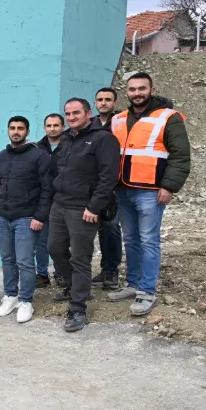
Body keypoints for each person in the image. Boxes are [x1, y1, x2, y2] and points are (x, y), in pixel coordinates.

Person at [108, 72, 191, 316]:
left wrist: (169, 186)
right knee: (131, 240)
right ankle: (133, 284)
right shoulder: (118, 119)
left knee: (148, 240)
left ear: (151, 90)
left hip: (151, 191)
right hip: (123, 189)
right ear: (127, 92)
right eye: (132, 89)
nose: (137, 93)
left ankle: (147, 291)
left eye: (142, 89)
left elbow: (181, 155)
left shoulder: (169, 117)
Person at [48, 98, 120, 332]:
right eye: (68, 114)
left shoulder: (103, 139)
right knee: (54, 249)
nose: (71, 117)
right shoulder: (66, 138)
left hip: (83, 208)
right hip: (60, 204)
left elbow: (109, 177)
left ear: (88, 113)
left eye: (76, 113)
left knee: (80, 257)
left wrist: (94, 206)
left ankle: (78, 308)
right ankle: (78, 286)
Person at [0, 117, 53, 324]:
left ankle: (26, 301)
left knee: (25, 261)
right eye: (12, 128)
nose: (16, 131)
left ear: (27, 131)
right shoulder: (2, 156)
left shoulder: (39, 156)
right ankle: (10, 296)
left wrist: (40, 216)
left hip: (26, 218)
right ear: (8, 130)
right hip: (3, 217)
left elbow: (47, 188)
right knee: (7, 259)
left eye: (20, 128)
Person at [91, 87, 123, 290]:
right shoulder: (89, 124)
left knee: (111, 226)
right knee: (100, 227)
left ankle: (111, 271)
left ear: (115, 102)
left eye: (108, 99)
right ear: (95, 103)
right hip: (92, 184)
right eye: (100, 99)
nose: (103, 103)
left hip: (114, 185)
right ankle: (102, 269)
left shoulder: (122, 123)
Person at [35, 114, 65, 288]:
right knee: (42, 240)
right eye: (49, 125)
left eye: (56, 125)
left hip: (64, 199)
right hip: (43, 200)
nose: (52, 129)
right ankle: (42, 274)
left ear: (63, 127)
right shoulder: (37, 148)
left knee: (61, 240)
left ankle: (60, 271)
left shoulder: (70, 145)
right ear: (44, 128)